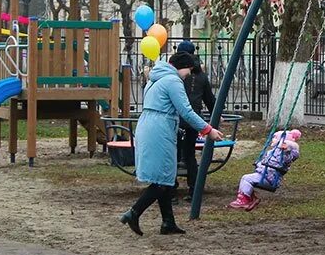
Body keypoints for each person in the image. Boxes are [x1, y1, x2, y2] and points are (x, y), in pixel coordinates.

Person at [119, 56, 219, 237]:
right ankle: (134, 213)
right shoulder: (172, 80)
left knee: (164, 177)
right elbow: (186, 111)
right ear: (182, 67)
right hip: (160, 129)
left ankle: (168, 222)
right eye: (189, 70)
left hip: (148, 125)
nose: (189, 75)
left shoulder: (155, 78)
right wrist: (207, 129)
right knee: (163, 178)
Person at [173, 41, 215, 199]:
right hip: (193, 120)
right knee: (190, 154)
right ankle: (194, 189)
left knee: (173, 155)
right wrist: (216, 114)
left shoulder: (176, 75)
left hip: (176, 119)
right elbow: (209, 99)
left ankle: (171, 189)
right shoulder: (201, 76)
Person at [229, 129, 301, 211]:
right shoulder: (274, 151)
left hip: (269, 178)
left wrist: (287, 149)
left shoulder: (284, 153)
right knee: (247, 180)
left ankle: (243, 201)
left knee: (246, 179)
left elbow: (289, 158)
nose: (272, 140)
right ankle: (252, 199)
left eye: (275, 138)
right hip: (265, 175)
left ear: (282, 141)